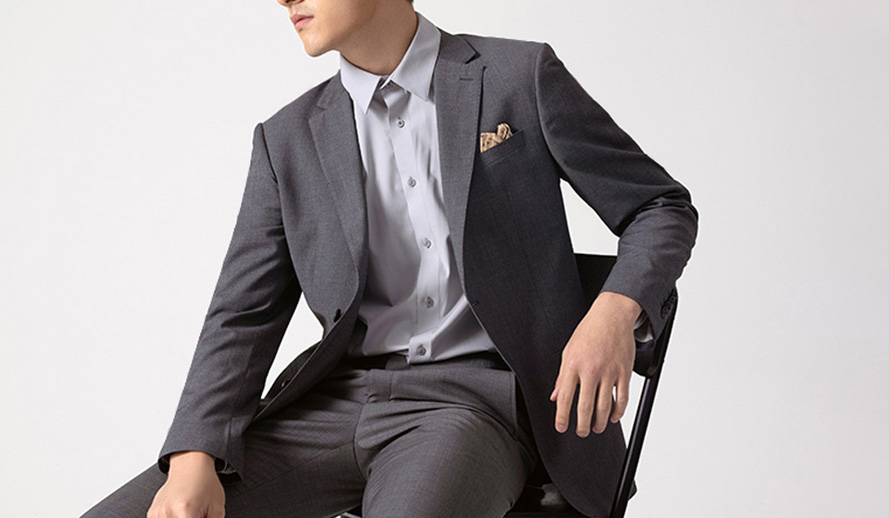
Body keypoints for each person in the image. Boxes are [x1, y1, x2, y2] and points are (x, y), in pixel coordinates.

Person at [81, 1, 698, 517]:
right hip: (336, 404)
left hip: (472, 404)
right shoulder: (287, 138)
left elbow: (660, 205)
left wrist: (613, 312)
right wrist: (195, 457)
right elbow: (241, 315)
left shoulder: (517, 76)